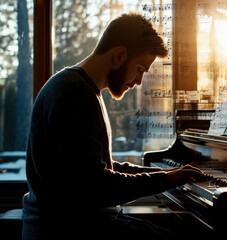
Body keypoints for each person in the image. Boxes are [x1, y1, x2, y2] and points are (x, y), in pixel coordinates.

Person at [22, 13, 206, 239]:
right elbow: (96, 185)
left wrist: (168, 173)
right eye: (140, 69)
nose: (139, 82)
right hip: (68, 229)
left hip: (79, 221)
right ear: (119, 55)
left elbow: (98, 170)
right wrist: (165, 179)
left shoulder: (79, 87)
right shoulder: (74, 94)